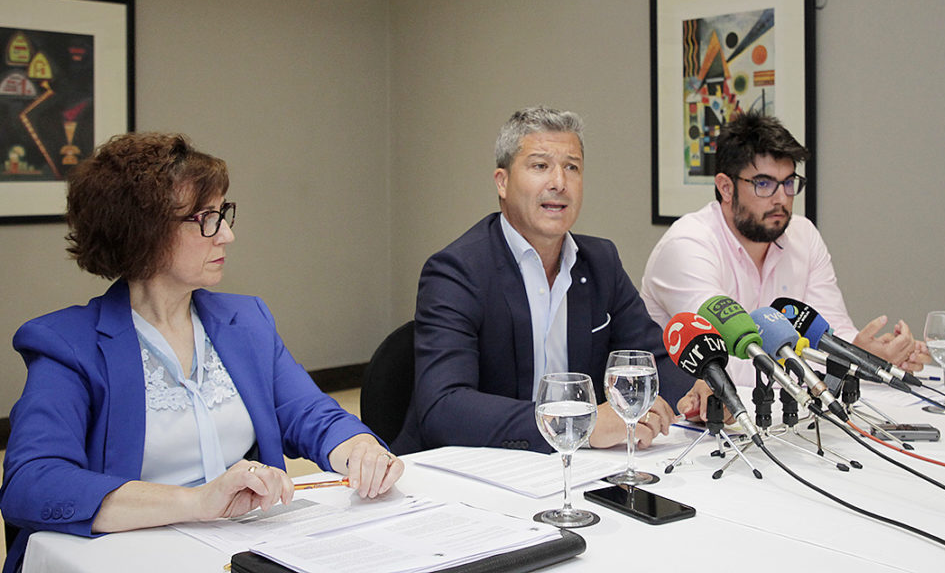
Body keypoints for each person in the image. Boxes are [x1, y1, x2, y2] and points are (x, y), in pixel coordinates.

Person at [0, 133, 403, 573]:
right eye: (207, 218)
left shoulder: (246, 321)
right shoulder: (68, 344)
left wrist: (360, 449)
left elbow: (309, 414)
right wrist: (196, 501)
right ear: (144, 231)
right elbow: (32, 483)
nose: (227, 234)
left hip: (246, 551)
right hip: (133, 556)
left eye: (224, 214)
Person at [391, 107, 694, 455]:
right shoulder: (456, 271)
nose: (559, 183)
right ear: (502, 182)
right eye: (540, 166)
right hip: (471, 467)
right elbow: (444, 408)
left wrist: (697, 391)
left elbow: (651, 359)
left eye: (572, 167)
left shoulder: (601, 262)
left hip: (575, 466)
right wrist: (579, 423)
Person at [639, 111, 929, 418]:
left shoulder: (803, 235)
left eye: (789, 183)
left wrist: (866, 355)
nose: (781, 199)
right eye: (764, 184)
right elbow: (728, 365)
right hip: (686, 425)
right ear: (726, 187)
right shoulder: (687, 246)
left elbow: (828, 331)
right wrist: (835, 363)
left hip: (782, 415)